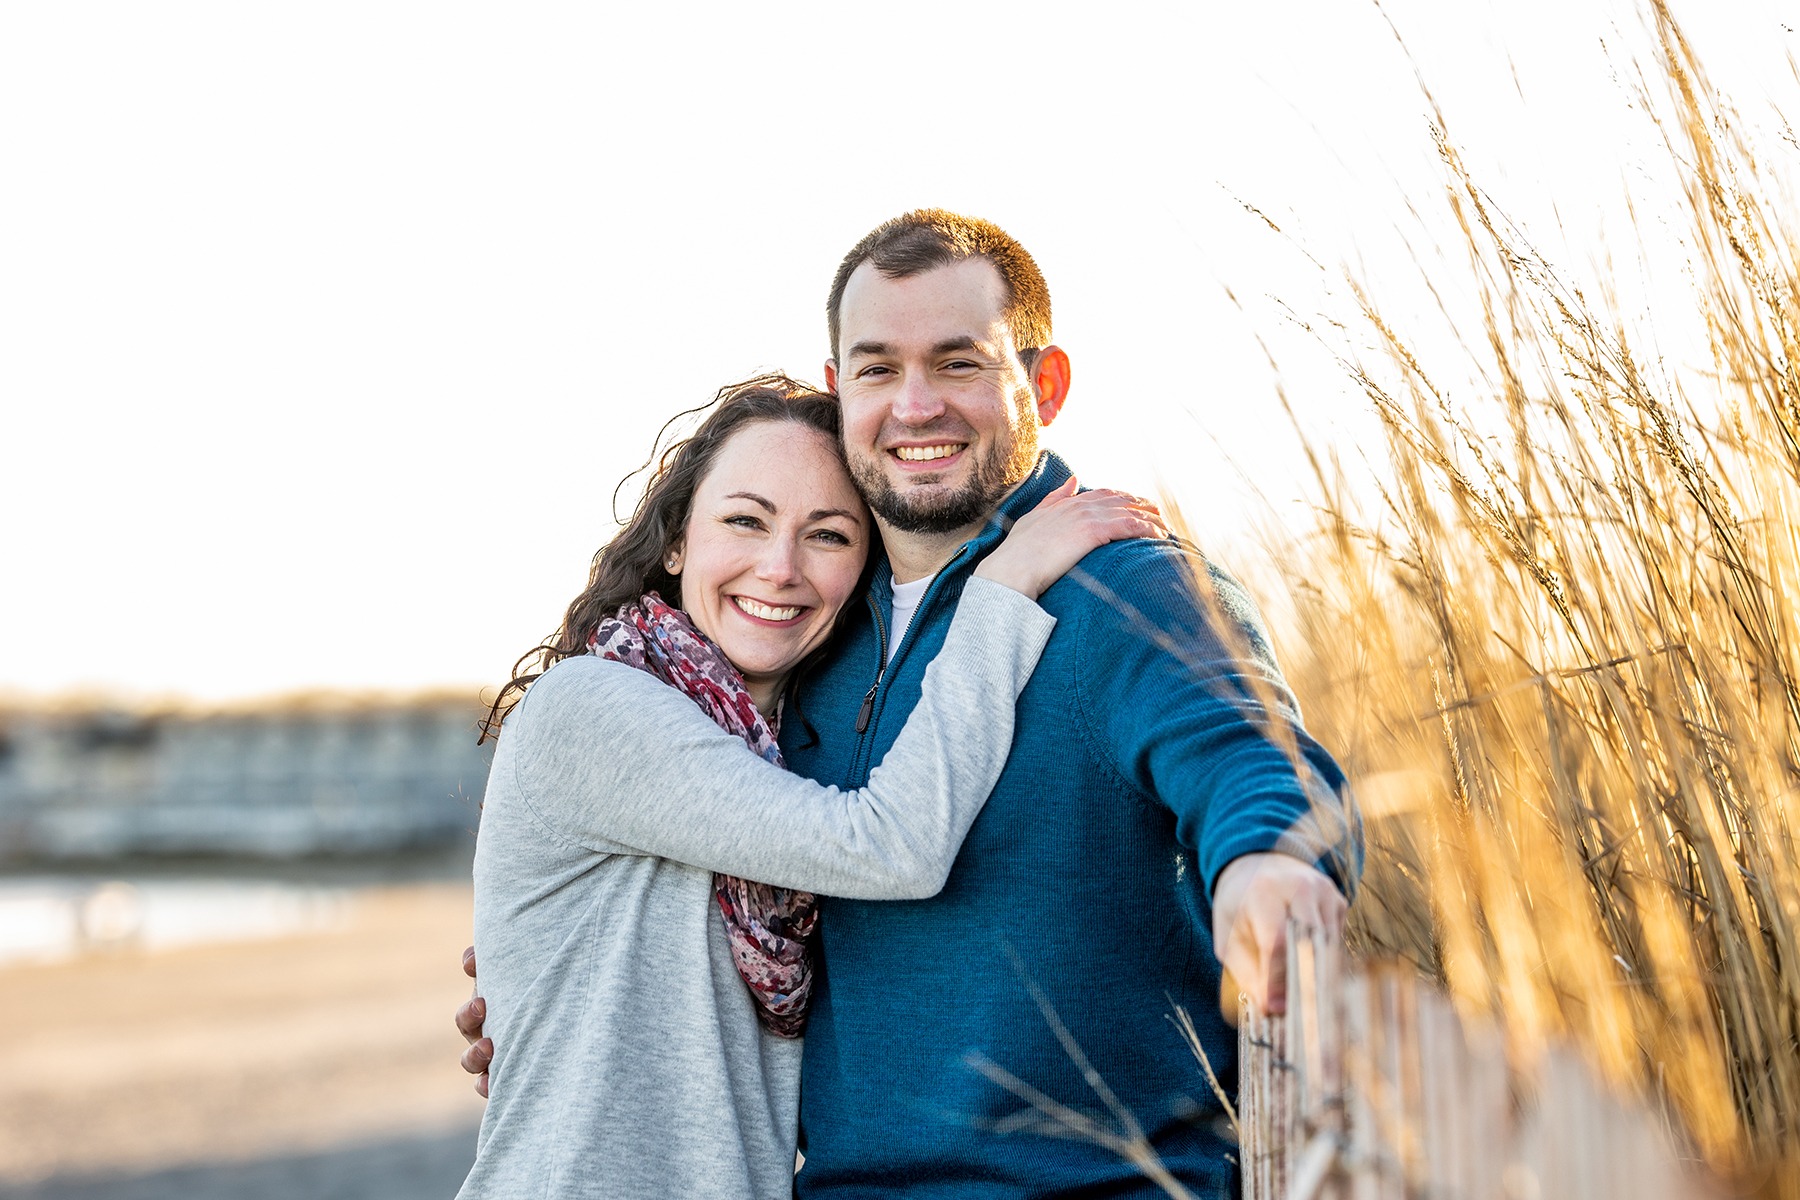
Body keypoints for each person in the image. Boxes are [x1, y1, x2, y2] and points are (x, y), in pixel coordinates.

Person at [462, 212, 1358, 1196]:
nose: (916, 404)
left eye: (959, 363)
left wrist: (1269, 864)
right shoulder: (811, 644)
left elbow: (1248, 754)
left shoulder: (1126, 588)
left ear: (1043, 386)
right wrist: (546, 979)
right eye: (880, 368)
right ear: (844, 391)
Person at [456, 373, 1165, 1200]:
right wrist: (1001, 592)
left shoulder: (787, 760)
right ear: (678, 540)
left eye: (827, 536)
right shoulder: (594, 705)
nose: (780, 567)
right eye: (745, 521)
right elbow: (891, 846)